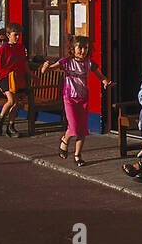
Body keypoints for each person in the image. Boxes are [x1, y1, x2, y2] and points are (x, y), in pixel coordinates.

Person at [40, 36, 113, 167]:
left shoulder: (89, 63)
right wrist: (45, 67)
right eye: (80, 48)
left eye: (85, 48)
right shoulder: (66, 62)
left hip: (83, 98)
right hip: (69, 98)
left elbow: (100, 75)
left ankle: (78, 155)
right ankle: (65, 140)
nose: (83, 51)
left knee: (82, 129)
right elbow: (49, 69)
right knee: (73, 126)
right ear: (73, 49)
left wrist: (106, 81)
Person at [0, 22, 28, 137]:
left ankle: (11, 126)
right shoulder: (3, 49)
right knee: (11, 101)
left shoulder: (20, 48)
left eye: (19, 35)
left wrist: (33, 75)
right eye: (15, 35)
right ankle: (0, 120)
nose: (17, 37)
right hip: (6, 78)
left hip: (17, 78)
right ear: (8, 35)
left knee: (16, 103)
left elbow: (24, 64)